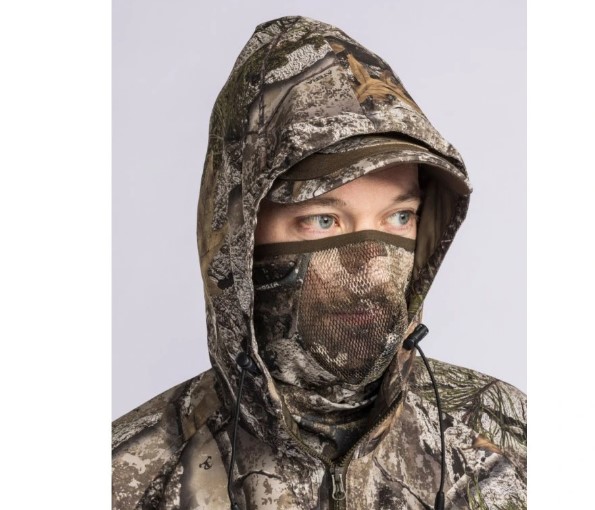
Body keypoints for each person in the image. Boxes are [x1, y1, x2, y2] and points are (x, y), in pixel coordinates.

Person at [112, 16, 526, 509]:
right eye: (322, 220)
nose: (371, 269)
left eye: (399, 217)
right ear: (240, 240)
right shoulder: (126, 478)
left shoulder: (512, 444)